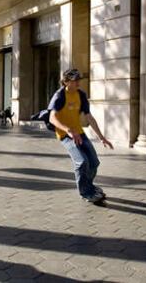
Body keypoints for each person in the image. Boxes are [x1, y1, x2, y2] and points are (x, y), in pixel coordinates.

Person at [49, 69, 114, 203]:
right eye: (75, 80)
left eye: (79, 79)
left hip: (79, 132)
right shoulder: (60, 95)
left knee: (94, 162)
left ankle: (89, 186)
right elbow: (52, 118)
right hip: (65, 135)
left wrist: (102, 137)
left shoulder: (81, 95)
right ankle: (85, 193)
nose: (78, 82)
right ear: (66, 82)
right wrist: (67, 130)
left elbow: (89, 117)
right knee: (82, 162)